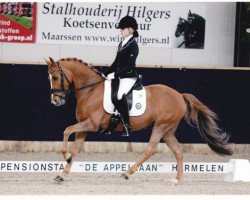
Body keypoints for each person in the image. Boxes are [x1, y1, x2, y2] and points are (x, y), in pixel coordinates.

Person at [103, 15, 139, 136]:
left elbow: (129, 65)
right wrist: (106, 73)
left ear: (131, 30)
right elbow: (116, 62)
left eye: (123, 29)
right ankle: (113, 122)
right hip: (120, 75)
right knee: (110, 91)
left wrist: (115, 74)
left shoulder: (133, 45)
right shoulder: (121, 43)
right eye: (121, 29)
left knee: (119, 95)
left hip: (129, 76)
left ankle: (127, 126)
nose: (121, 31)